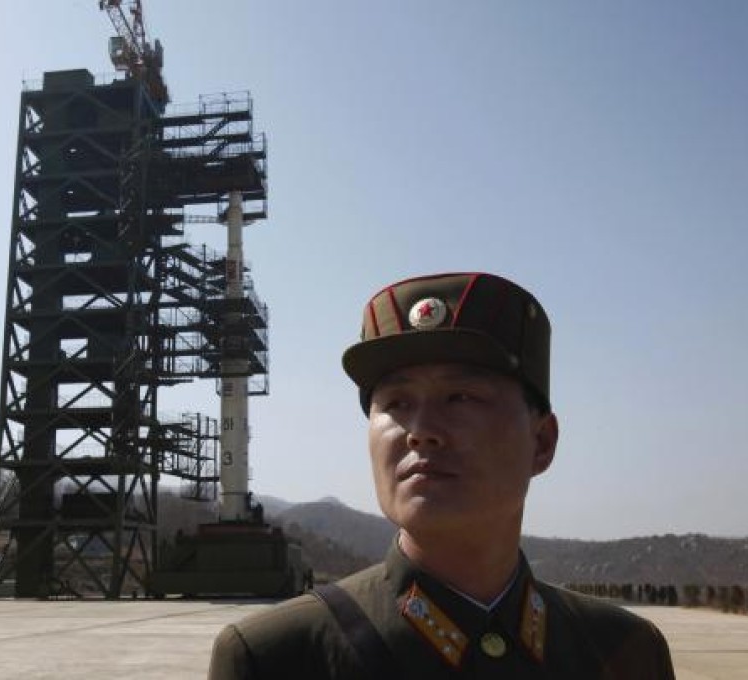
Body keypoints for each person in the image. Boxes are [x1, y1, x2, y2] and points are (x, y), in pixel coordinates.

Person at [207, 272, 676, 679]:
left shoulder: (624, 652)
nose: (421, 432)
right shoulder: (279, 660)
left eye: (462, 397)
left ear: (542, 442)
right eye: (396, 404)